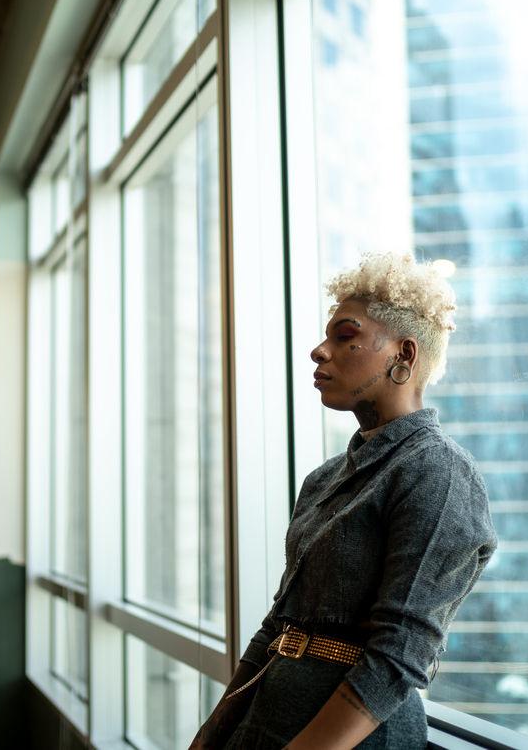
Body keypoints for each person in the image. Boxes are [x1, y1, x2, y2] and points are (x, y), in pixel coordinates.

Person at [190, 251, 497, 750]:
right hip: (264, 720)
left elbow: (399, 653)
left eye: (345, 337)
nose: (318, 351)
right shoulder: (323, 479)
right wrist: (213, 731)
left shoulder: (439, 471)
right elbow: (279, 624)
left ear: (405, 355)